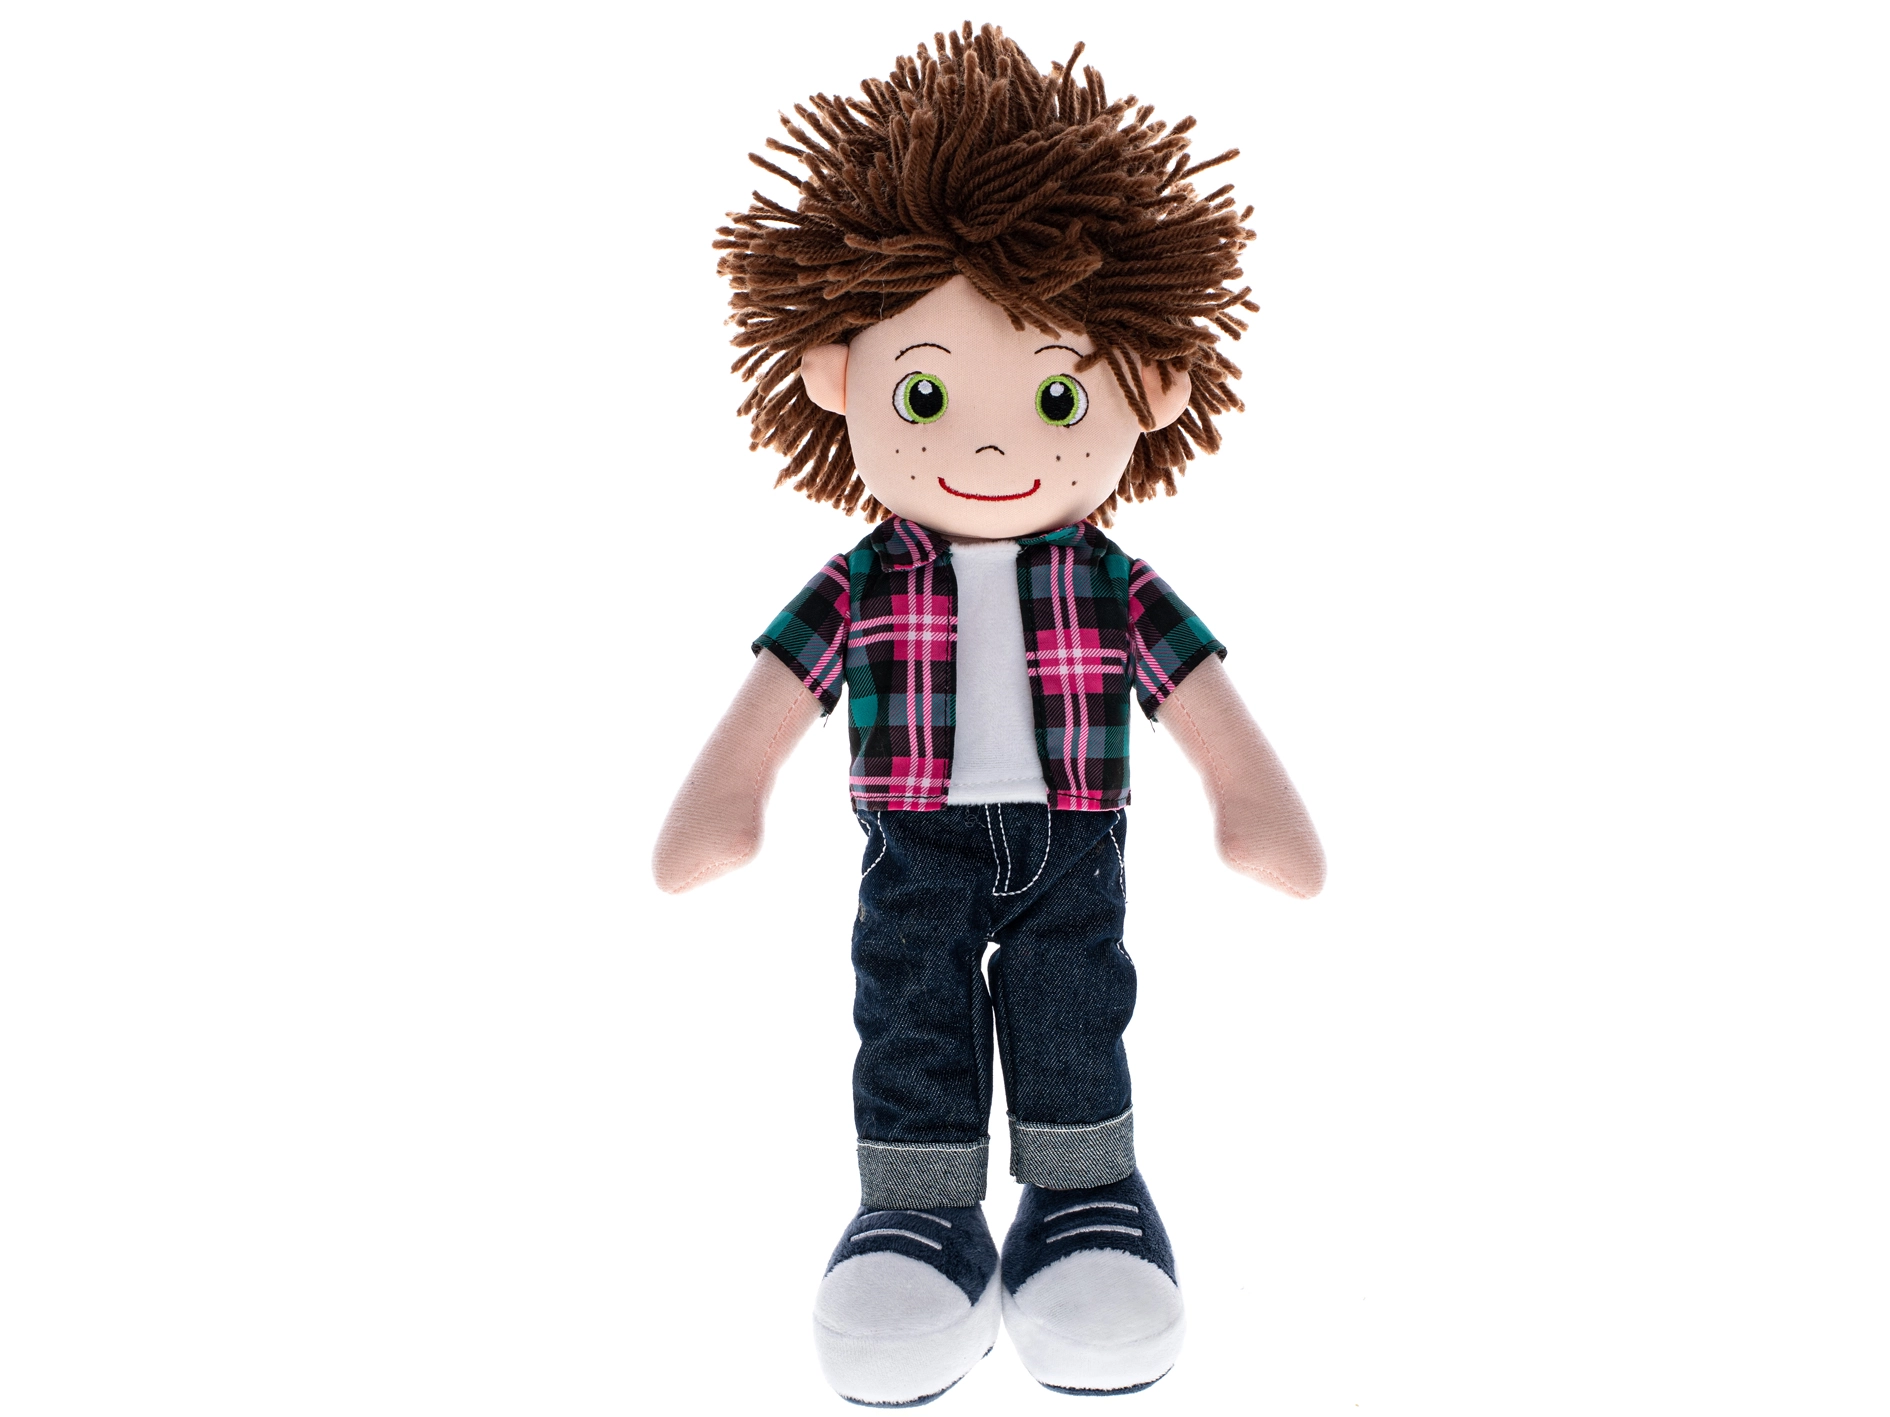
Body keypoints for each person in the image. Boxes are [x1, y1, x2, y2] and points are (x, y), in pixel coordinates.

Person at [654, 24, 1324, 1404]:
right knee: (908, 1002)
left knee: (1073, 998)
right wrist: (726, 801)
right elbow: (781, 683)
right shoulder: (864, 580)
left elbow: (1193, 684)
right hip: (914, 843)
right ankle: (917, 1211)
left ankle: (1086, 1200)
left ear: (1150, 392)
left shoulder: (1109, 580)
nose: (991, 440)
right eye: (925, 392)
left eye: (1058, 394)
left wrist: (1249, 802)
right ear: (839, 379)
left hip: (1075, 838)